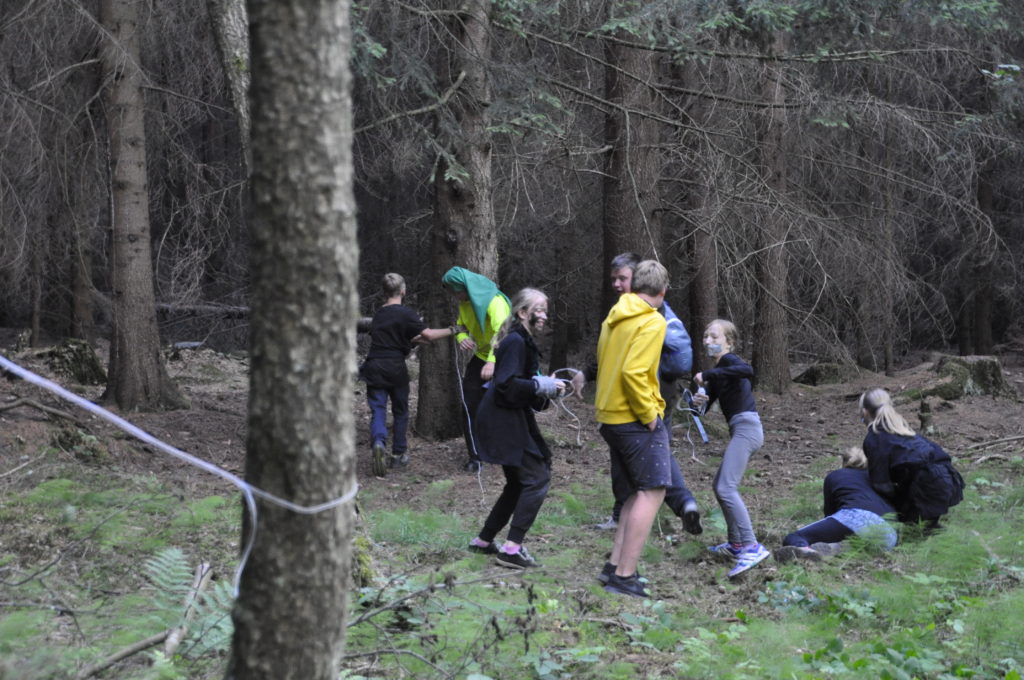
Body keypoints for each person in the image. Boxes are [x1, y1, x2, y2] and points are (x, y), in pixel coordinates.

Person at [582, 252, 702, 538]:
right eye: (613, 279)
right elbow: (618, 362)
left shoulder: (647, 317)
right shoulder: (627, 314)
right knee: (651, 470)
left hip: (641, 404)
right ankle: (679, 505)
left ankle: (646, 521)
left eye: (622, 278)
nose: (616, 284)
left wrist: (650, 410)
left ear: (637, 281)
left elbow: (640, 368)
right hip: (636, 404)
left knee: (650, 474)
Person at [466, 288, 566, 568]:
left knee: (519, 482)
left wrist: (547, 389)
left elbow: (523, 389)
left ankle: (484, 541)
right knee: (537, 478)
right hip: (502, 420)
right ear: (523, 313)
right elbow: (505, 385)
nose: (544, 316)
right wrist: (540, 385)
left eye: (546, 310)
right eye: (539, 310)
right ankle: (511, 549)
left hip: (509, 417)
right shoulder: (515, 342)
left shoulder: (522, 341)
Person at [595, 260, 675, 597]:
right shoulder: (652, 321)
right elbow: (633, 373)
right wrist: (650, 415)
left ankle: (614, 567)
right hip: (633, 419)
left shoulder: (614, 316)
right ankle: (624, 576)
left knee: (632, 492)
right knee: (653, 491)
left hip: (609, 416)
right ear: (662, 291)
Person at [693, 319, 770, 578]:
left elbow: (747, 370)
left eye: (714, 337)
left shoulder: (730, 362)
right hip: (740, 429)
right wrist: (699, 403)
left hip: (748, 429)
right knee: (720, 486)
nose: (708, 341)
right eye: (705, 337)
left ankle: (751, 546)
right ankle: (736, 544)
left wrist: (707, 375)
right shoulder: (720, 372)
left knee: (726, 487)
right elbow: (702, 411)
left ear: (730, 342)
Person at [437, 267, 512, 472]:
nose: (454, 297)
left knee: (505, 404)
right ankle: (476, 457)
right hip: (481, 357)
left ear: (464, 288)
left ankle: (506, 449)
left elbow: (504, 332)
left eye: (455, 292)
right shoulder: (465, 303)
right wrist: (461, 337)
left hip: (504, 357)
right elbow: (461, 325)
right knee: (469, 403)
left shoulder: (494, 302)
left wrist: (492, 361)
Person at [858, 388, 965, 526]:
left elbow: (881, 484)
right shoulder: (904, 431)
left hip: (926, 484)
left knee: (916, 531)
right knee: (925, 529)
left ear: (865, 412)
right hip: (947, 476)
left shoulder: (875, 438)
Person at [358, 273, 429, 476]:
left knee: (378, 409)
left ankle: (378, 442)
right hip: (395, 367)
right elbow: (427, 335)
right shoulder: (406, 314)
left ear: (384, 292)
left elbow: (392, 336)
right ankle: (398, 454)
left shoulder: (379, 314)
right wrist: (452, 330)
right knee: (400, 411)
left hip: (374, 365)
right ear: (403, 291)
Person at [775, 447, 898, 562]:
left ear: (844, 461)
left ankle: (805, 551)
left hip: (856, 517)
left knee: (795, 537)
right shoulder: (878, 479)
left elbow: (831, 513)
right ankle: (834, 549)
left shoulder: (836, 475)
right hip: (889, 533)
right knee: (853, 544)